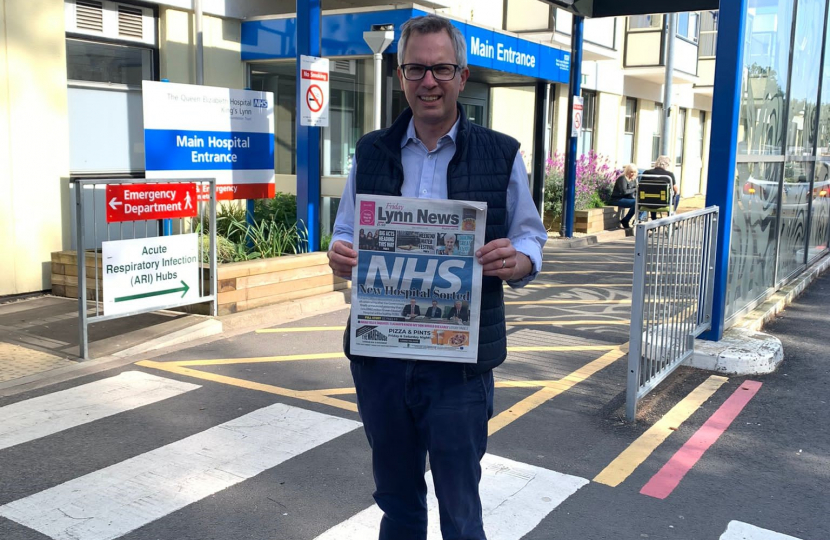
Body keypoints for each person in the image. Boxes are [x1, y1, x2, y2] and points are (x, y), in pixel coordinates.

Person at [326, 14, 546, 540]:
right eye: (417, 69)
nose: (429, 82)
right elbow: (346, 231)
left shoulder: (502, 154)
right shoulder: (370, 152)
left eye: (441, 69)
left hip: (459, 371)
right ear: (400, 76)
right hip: (382, 361)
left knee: (460, 509)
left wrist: (517, 262)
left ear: (462, 76)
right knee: (397, 504)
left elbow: (530, 237)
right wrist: (340, 253)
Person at [642, 155, 680, 220]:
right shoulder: (669, 175)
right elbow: (675, 189)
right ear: (666, 164)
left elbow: (641, 186)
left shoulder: (646, 172)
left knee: (652, 193)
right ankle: (671, 213)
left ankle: (653, 217)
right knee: (677, 194)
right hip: (663, 203)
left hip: (646, 202)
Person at [609, 164, 646, 228]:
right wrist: (635, 189)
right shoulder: (622, 178)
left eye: (634, 172)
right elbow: (624, 192)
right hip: (617, 199)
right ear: (627, 171)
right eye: (631, 172)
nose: (633, 174)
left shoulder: (633, 179)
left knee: (641, 201)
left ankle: (639, 219)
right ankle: (626, 220)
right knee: (635, 202)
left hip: (627, 199)